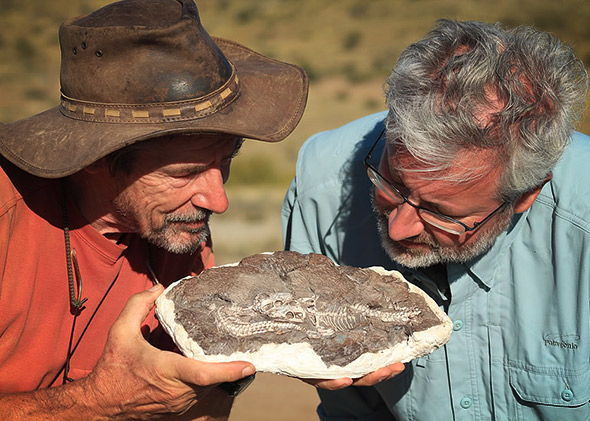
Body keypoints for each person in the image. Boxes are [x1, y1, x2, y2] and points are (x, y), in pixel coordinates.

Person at [0, 0, 308, 419]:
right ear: (93, 157)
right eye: (186, 172)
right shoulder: (8, 218)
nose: (218, 201)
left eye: (226, 161)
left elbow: (202, 408)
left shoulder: (177, 226)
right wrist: (96, 402)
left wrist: (279, 353)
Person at [282, 19, 589, 420]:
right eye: (392, 183)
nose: (399, 228)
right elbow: (350, 408)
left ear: (526, 195)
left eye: (442, 213)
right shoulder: (320, 185)